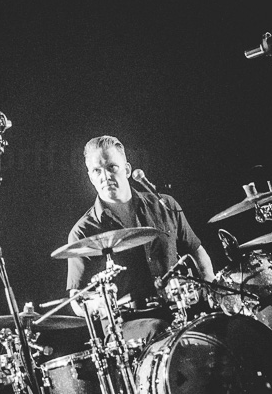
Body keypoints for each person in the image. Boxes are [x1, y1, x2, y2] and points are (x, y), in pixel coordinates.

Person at [66, 135, 215, 345]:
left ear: (127, 170)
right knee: (158, 329)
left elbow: (196, 250)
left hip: (176, 309)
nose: (105, 176)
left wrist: (211, 289)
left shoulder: (164, 205)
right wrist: (97, 305)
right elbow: (77, 300)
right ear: (90, 177)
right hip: (125, 326)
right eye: (97, 171)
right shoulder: (83, 231)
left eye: (111, 167)